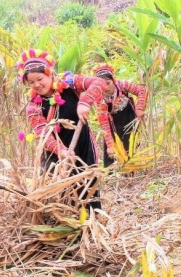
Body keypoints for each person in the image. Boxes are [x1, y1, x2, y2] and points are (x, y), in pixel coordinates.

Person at [17, 48, 106, 209]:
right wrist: (61, 151)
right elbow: (42, 132)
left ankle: (90, 227)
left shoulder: (70, 82)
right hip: (55, 154)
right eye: (31, 82)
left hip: (82, 145)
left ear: (50, 74)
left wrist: (85, 102)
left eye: (40, 78)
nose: (37, 84)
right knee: (59, 192)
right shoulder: (33, 105)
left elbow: (98, 82)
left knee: (88, 187)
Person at [92, 63, 147, 167]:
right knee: (112, 152)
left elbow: (141, 90)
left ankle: (130, 173)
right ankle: (112, 177)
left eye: (108, 83)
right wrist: (109, 145)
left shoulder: (123, 85)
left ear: (113, 80)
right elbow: (104, 123)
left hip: (129, 118)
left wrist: (139, 108)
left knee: (130, 146)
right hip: (112, 123)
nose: (106, 87)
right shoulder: (100, 98)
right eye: (102, 85)